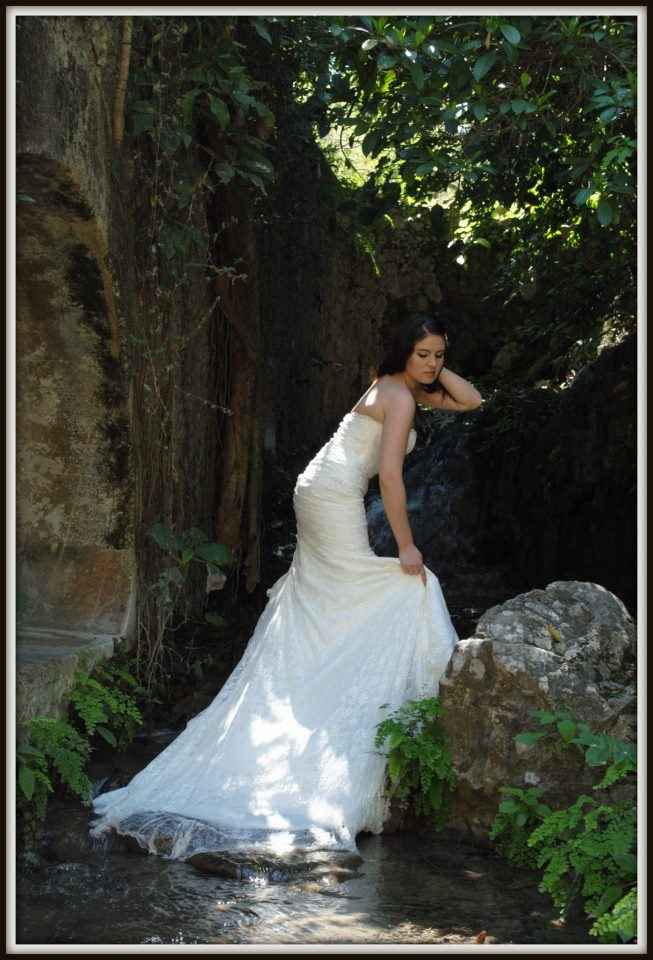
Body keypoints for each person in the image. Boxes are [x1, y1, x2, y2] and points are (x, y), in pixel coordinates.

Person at [89, 311, 483, 864]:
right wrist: (407, 545)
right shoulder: (400, 397)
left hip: (319, 488)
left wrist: (438, 367)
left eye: (440, 355)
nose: (434, 365)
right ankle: (339, 700)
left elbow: (472, 400)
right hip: (331, 496)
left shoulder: (397, 384)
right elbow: (390, 477)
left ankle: (314, 685)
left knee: (332, 598)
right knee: (408, 585)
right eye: (424, 354)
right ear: (402, 352)